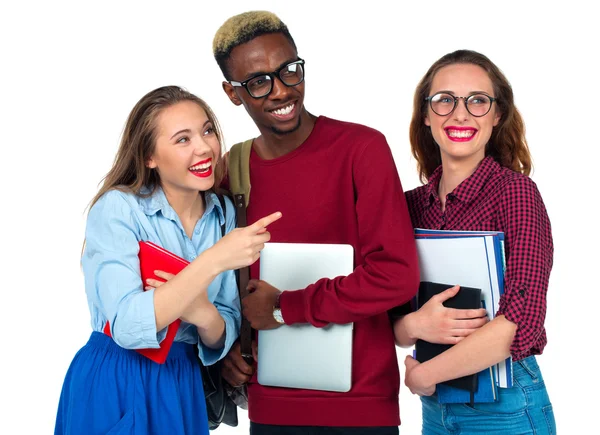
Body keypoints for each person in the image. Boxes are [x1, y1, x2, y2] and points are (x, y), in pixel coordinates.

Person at [212, 11, 420, 435]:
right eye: (258, 81)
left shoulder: (362, 149)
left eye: (289, 70)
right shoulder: (231, 167)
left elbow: (397, 276)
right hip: (272, 405)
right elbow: (220, 273)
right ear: (233, 94)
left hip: (360, 407)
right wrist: (231, 342)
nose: (281, 91)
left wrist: (283, 306)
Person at [54, 86, 281, 435]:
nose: (204, 147)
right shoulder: (119, 209)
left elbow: (223, 328)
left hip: (182, 378)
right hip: (117, 376)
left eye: (207, 131)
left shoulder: (223, 216)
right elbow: (129, 327)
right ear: (149, 156)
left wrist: (202, 314)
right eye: (182, 139)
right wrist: (213, 261)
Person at [394, 50, 556, 434]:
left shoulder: (516, 194)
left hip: (508, 407)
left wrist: (425, 374)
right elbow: (388, 318)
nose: (460, 114)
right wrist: (415, 323)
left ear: (497, 115)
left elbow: (522, 321)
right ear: (427, 115)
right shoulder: (410, 206)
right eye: (445, 100)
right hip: (437, 408)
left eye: (477, 101)